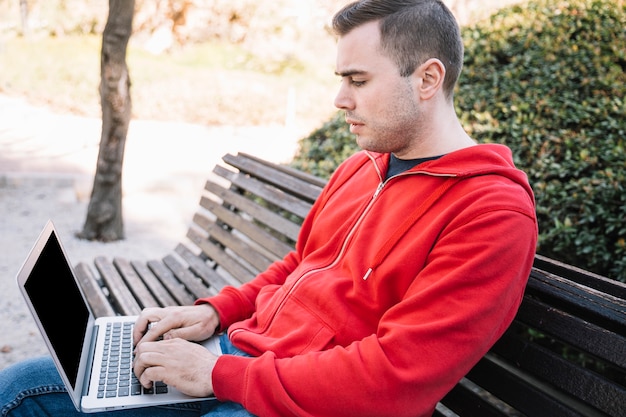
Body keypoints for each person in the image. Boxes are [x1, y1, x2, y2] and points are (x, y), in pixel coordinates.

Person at [0, 1, 538, 416]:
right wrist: (216, 311)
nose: (340, 100)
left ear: (427, 79)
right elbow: (299, 265)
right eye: (341, 80)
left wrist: (217, 375)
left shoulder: (490, 213)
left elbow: (396, 377)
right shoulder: (364, 166)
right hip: (242, 360)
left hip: (305, 400)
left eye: (358, 81)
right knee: (21, 387)